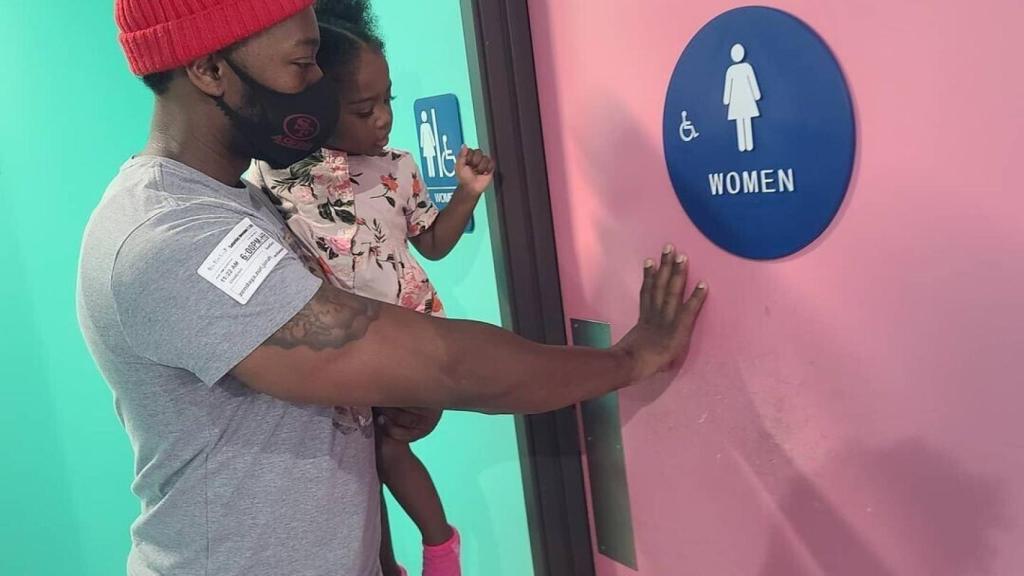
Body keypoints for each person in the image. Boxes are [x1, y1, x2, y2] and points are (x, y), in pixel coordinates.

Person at [76, 1, 709, 575]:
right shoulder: (170, 238)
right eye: (303, 64)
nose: (319, 88)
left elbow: (337, 393)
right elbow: (446, 363)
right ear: (210, 70)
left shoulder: (244, 204)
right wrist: (629, 359)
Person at [247, 3, 492, 573]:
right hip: (336, 348)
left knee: (387, 448)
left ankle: (441, 546)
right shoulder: (275, 179)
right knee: (356, 466)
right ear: (314, 105)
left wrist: (468, 193)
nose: (382, 118)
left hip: (403, 331)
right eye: (364, 108)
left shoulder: (397, 167)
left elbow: (431, 244)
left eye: (389, 101)